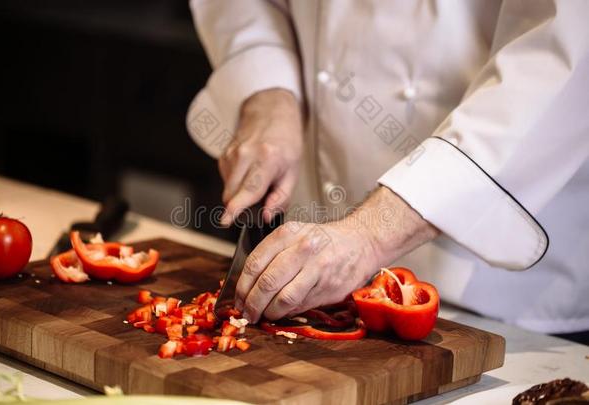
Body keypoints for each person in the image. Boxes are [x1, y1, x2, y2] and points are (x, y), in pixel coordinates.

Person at [186, 0, 589, 341]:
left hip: (503, 299)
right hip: (313, 273)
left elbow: (561, 60)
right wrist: (267, 88)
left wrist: (369, 235)